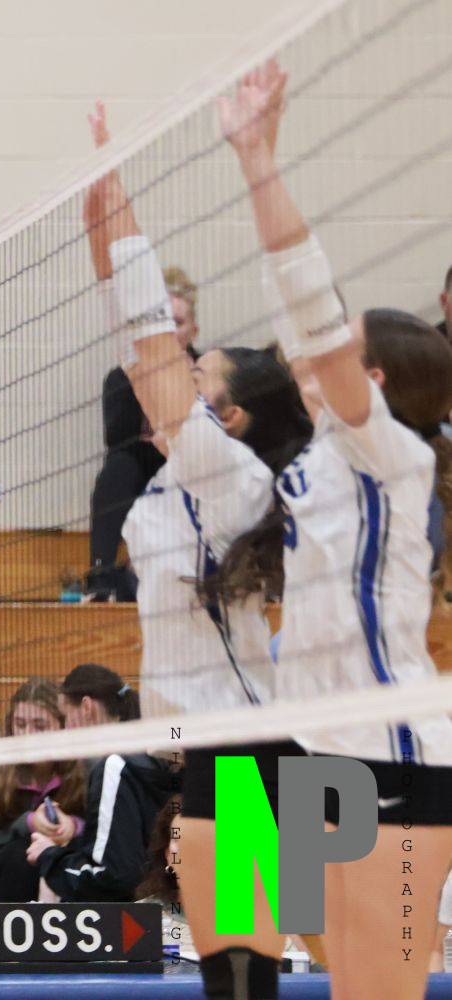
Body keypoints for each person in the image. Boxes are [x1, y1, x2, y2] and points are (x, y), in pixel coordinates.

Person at [218, 59, 452, 1000]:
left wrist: (262, 166)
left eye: (341, 347)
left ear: (376, 383)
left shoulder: (388, 452)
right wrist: (254, 155)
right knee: (330, 967)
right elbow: (297, 314)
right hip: (319, 745)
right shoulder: (322, 450)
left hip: (388, 746)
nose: (316, 348)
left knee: (382, 986)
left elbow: (308, 299)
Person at [82, 96, 319, 997]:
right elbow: (136, 333)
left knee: (263, 969)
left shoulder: (228, 474)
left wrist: (120, 204)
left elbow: (149, 344)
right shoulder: (183, 475)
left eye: (202, 376)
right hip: (225, 748)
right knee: (246, 971)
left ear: (236, 416)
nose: (183, 376)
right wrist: (99, 203)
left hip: (253, 753)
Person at [86, 249, 202, 602]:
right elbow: (118, 440)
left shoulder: (209, 371)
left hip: (194, 465)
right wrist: (148, 382)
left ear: (193, 329)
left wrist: (188, 384)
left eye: (177, 323)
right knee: (117, 470)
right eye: (162, 322)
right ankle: (101, 575)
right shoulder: (122, 377)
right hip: (143, 467)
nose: (169, 332)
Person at [26, 665, 169, 904]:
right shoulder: (157, 754)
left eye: (65, 717)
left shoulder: (115, 766)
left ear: (86, 707)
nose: (65, 729)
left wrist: (49, 856)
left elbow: (113, 876)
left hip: (143, 915)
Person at [0, 679, 86, 902]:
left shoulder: (88, 766)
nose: (28, 735)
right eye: (20, 725)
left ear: (63, 726)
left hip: (67, 869)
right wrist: (28, 824)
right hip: (4, 881)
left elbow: (105, 839)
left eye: (40, 726)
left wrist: (74, 827)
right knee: (23, 852)